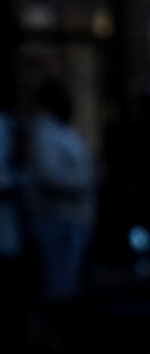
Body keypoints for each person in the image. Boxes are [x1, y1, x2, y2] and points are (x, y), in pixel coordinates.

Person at [26, 82, 94, 302]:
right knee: (59, 284)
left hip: (75, 218)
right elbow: (50, 176)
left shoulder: (62, 130)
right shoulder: (44, 132)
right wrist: (85, 180)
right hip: (58, 219)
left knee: (70, 281)